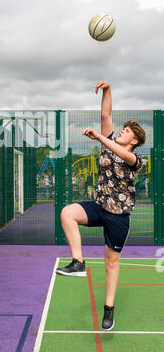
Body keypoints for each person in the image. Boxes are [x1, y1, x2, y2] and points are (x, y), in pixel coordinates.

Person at [56, 80, 146, 331]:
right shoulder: (110, 140)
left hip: (118, 215)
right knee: (67, 213)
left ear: (135, 141)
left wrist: (98, 137)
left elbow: (121, 153)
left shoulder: (136, 159)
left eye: (128, 131)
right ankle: (78, 262)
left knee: (111, 262)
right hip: (99, 204)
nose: (122, 131)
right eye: (124, 128)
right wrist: (107, 89)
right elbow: (105, 114)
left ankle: (109, 309)